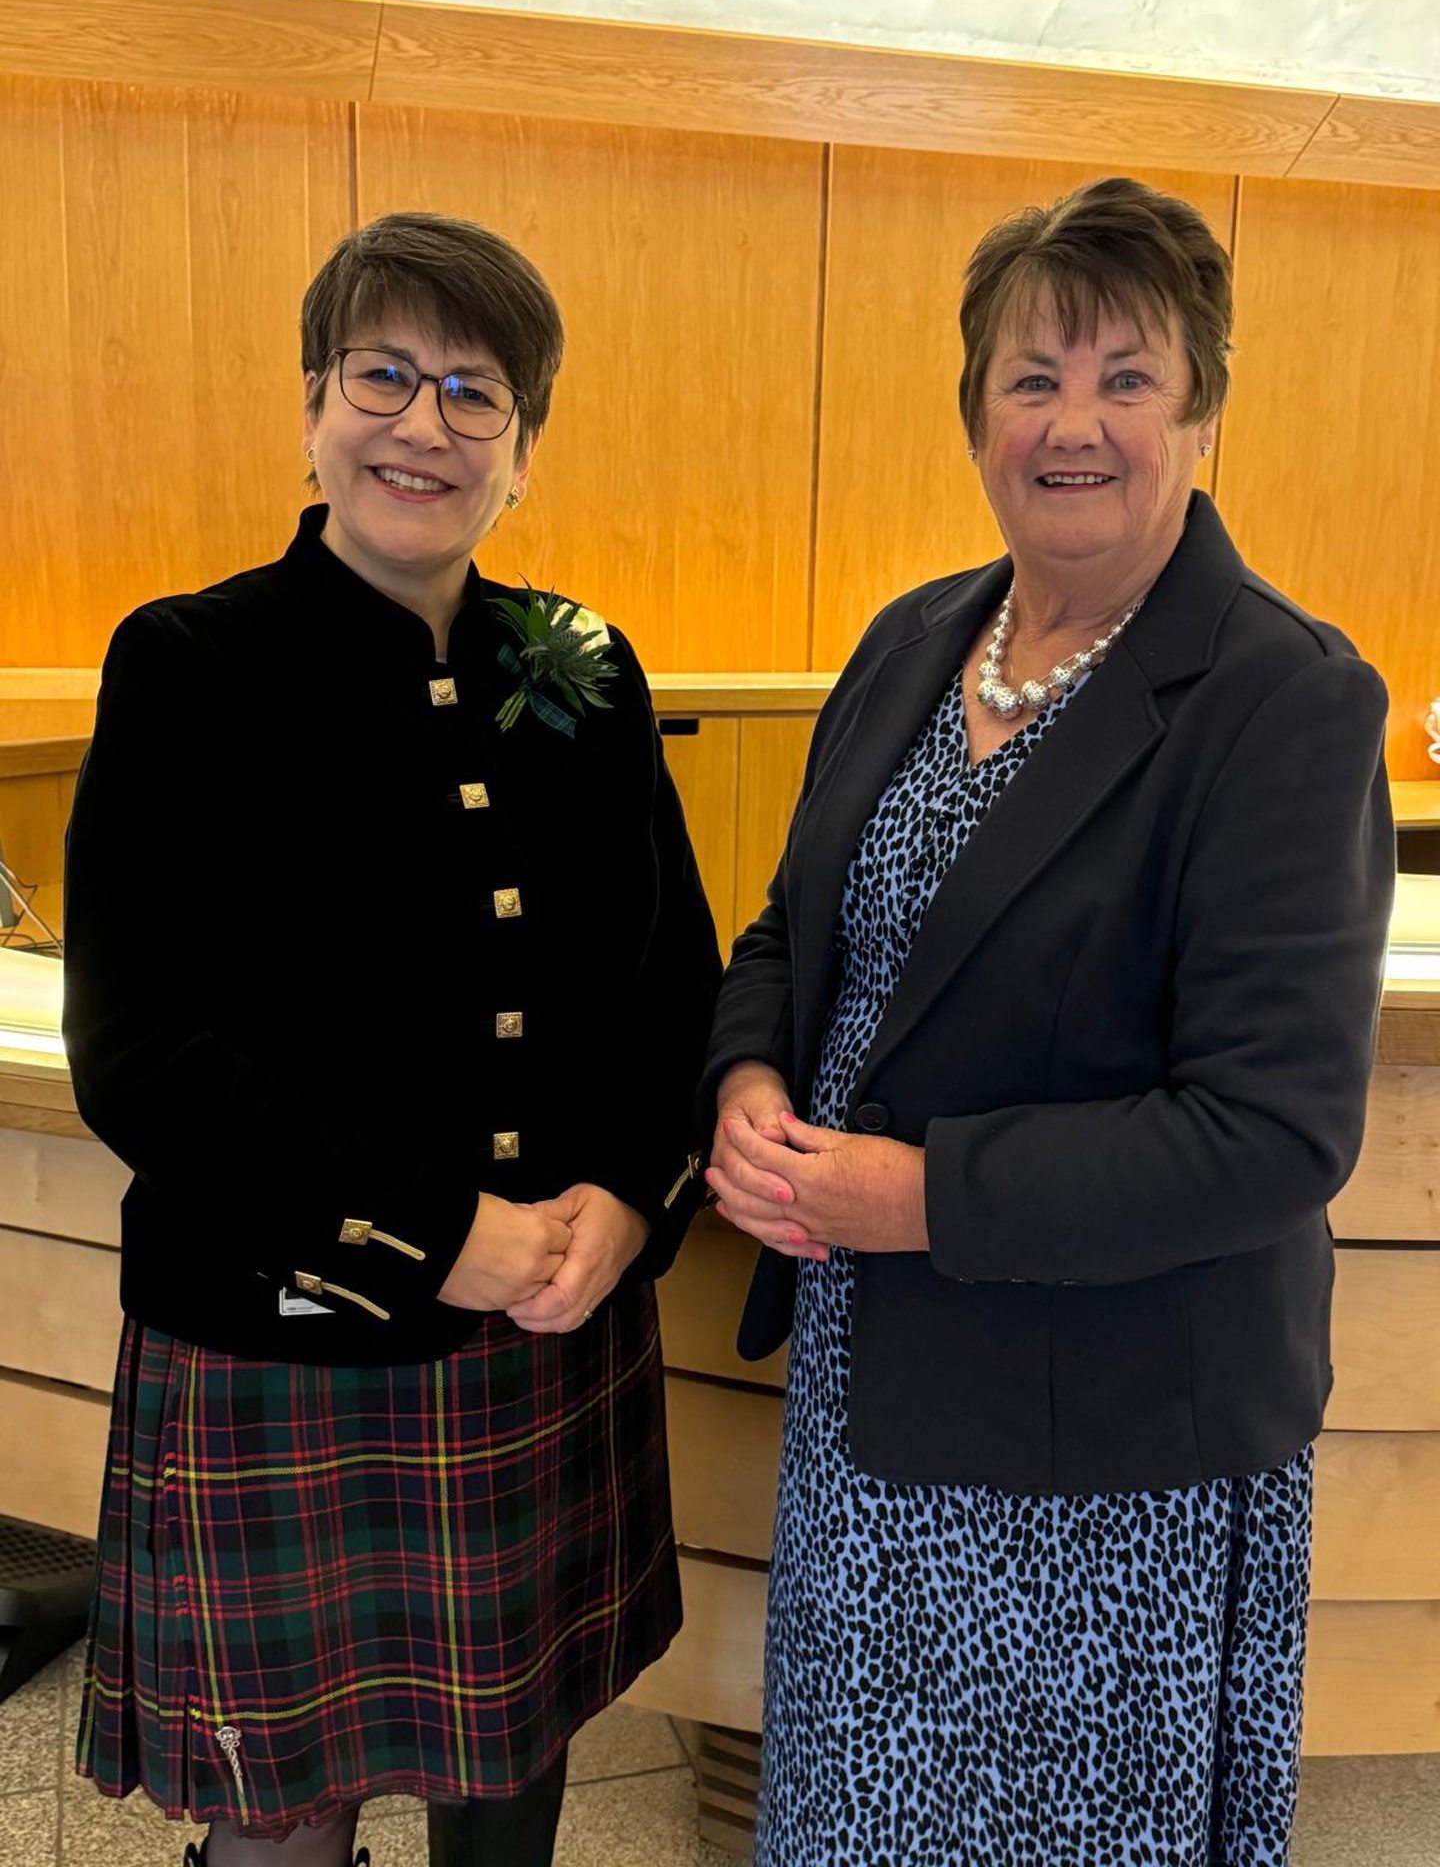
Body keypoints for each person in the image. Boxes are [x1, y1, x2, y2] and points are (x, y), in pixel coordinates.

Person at [704, 175, 1394, 1866]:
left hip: (1110, 1455)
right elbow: (797, 926)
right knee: (860, 1819)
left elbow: (1272, 1135)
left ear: (1204, 410)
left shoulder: (1285, 700)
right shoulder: (909, 641)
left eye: (1127, 376)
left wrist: (909, 1197)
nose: (1072, 421)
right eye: (1032, 377)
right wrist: (743, 1071)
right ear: (975, 416)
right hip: (876, 1399)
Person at [64, 211, 720, 1867]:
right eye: (383, 375)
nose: (424, 424)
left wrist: (634, 1202)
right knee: (280, 1814)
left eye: (475, 393)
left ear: (527, 451)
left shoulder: (577, 664)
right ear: (311, 410)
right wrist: (444, 1239)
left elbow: (675, 992)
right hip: (287, 1346)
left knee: (517, 1757)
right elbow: (140, 1052)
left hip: (554, 1335)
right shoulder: (189, 662)